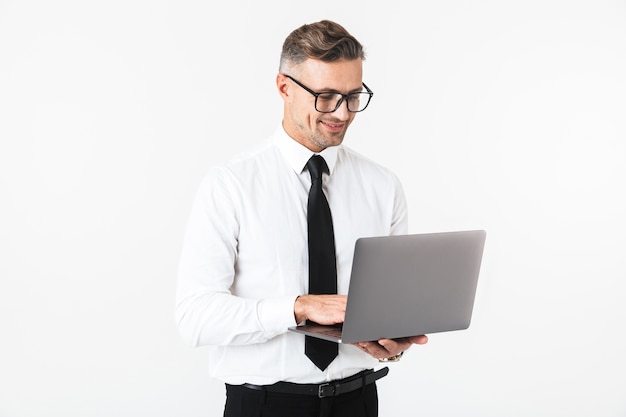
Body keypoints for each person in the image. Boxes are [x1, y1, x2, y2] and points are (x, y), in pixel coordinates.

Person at [175, 19, 428, 417]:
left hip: (357, 403)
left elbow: (386, 307)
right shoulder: (230, 185)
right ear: (284, 87)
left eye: (353, 95)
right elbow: (195, 317)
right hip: (263, 406)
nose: (342, 113)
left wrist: (392, 343)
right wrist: (298, 307)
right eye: (326, 96)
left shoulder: (383, 187)